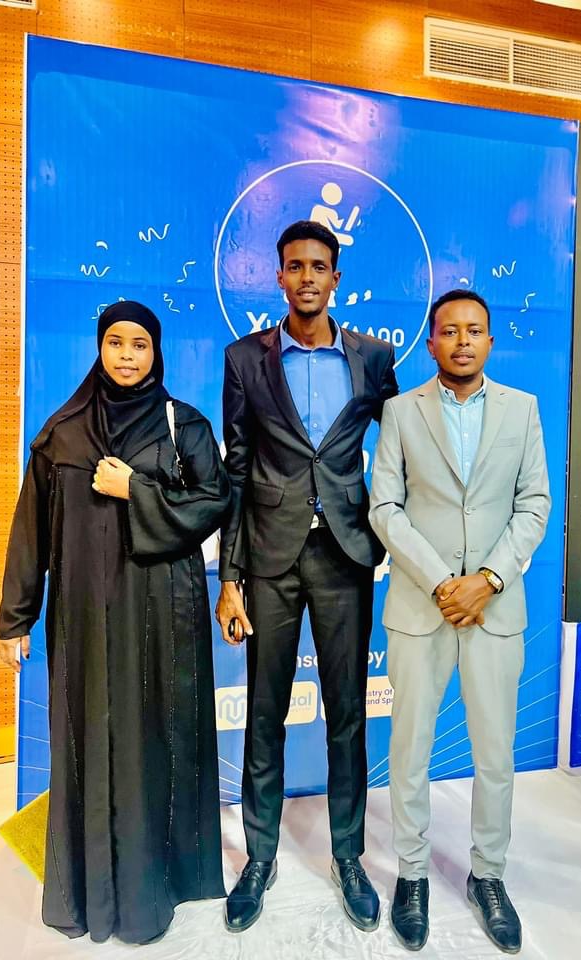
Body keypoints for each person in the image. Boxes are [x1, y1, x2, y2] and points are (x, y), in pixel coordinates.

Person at [0, 302, 230, 944]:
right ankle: (89, 890)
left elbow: (215, 501)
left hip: (162, 619)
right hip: (84, 619)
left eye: (140, 345)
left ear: (157, 353)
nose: (128, 356)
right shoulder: (62, 434)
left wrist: (139, 492)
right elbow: (29, 531)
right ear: (100, 348)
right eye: (116, 343)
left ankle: (158, 885)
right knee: (90, 737)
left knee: (155, 739)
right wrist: (16, 618)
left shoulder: (183, 425)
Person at [215, 220, 398, 933]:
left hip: (345, 555)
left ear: (336, 278)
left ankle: (348, 856)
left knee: (347, 713)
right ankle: (260, 857)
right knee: (264, 711)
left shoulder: (374, 358)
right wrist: (231, 576)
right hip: (268, 557)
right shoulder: (245, 360)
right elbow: (236, 470)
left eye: (319, 266)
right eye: (295, 266)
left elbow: (404, 448)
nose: (307, 278)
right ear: (279, 277)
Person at [369, 290, 550, 953]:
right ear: (432, 342)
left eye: (475, 331)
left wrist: (489, 580)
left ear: (490, 341)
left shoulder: (522, 409)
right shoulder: (400, 411)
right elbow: (385, 507)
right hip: (423, 606)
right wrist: (443, 582)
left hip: (494, 609)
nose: (463, 341)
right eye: (450, 331)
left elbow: (534, 503)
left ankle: (488, 875)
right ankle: (412, 874)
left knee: (495, 754)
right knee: (410, 749)